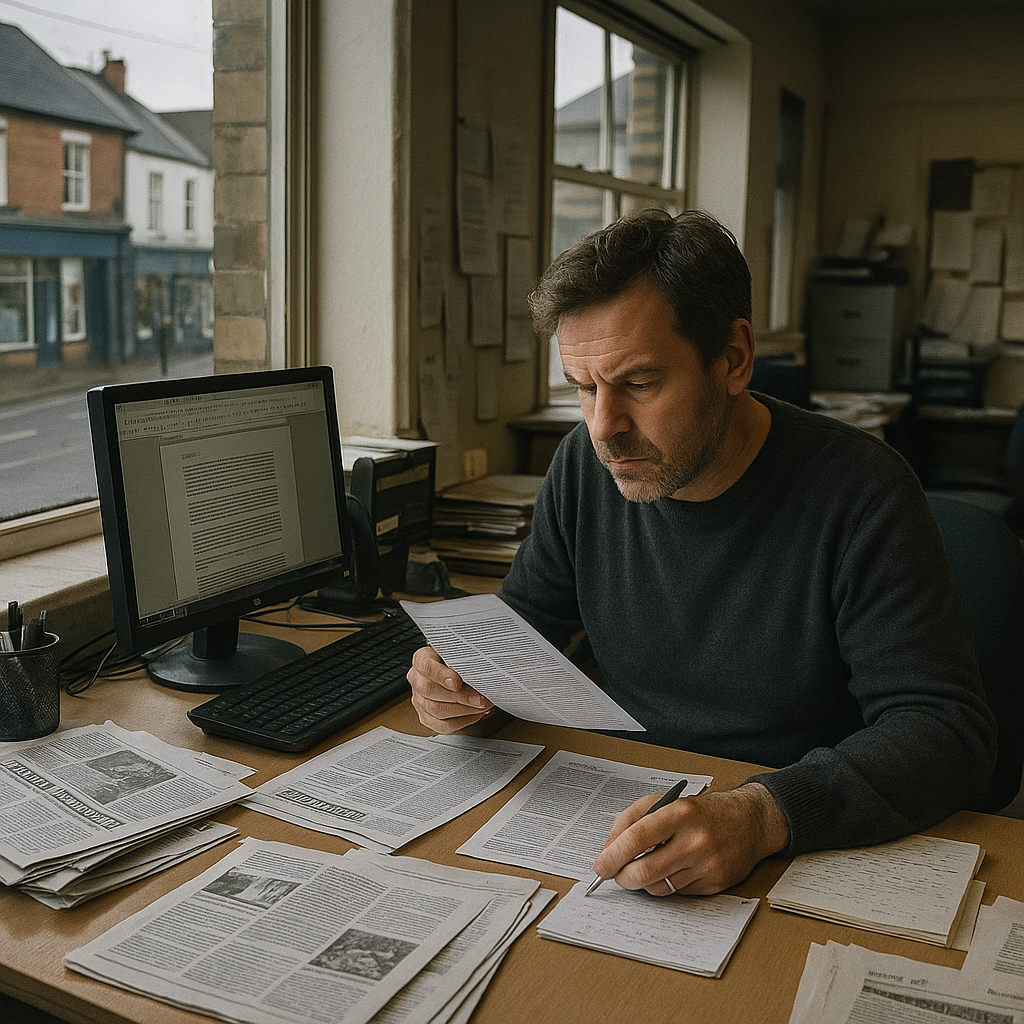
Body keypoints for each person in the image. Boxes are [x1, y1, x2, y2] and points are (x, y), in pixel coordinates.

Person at [407, 208, 997, 898]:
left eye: (638, 384)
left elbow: (946, 731)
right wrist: (468, 684)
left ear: (734, 358)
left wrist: (763, 814)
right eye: (583, 387)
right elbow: (525, 628)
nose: (605, 428)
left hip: (789, 840)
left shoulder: (862, 494)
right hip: (618, 818)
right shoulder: (583, 466)